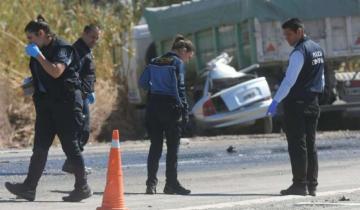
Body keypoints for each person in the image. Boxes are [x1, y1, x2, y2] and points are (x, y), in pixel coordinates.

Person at [5, 15, 92, 202]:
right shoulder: (40, 50)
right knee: (40, 148)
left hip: (66, 104)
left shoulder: (62, 48)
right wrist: (31, 84)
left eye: (31, 37)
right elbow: (43, 74)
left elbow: (56, 71)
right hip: (46, 105)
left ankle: (82, 187)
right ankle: (29, 188)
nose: (28, 42)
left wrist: (38, 55)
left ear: (41, 34)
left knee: (70, 146)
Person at [267, 18, 325, 196]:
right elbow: (321, 78)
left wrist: (275, 101)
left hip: (296, 105)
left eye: (289, 34)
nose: (286, 38)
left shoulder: (299, 52)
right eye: (285, 35)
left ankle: (300, 185)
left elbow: (289, 81)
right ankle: (312, 185)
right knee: (310, 144)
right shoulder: (317, 49)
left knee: (297, 145)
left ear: (299, 31)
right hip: (312, 102)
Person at [139, 34, 194, 195]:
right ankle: (171, 184)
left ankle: (151, 184)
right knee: (172, 149)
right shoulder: (177, 63)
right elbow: (180, 89)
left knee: (155, 147)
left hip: (153, 107)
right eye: (188, 57)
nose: (187, 60)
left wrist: (156, 86)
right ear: (183, 50)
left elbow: (142, 83)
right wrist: (185, 111)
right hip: (170, 108)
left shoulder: (154, 61)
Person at [62, 24, 100, 175]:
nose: (95, 40)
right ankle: (73, 164)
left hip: (83, 94)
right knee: (81, 130)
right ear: (84, 34)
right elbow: (73, 74)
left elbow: (87, 73)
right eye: (92, 37)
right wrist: (82, 92)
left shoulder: (86, 50)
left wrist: (90, 90)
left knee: (81, 131)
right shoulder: (77, 50)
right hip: (78, 96)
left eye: (97, 38)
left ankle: (71, 163)